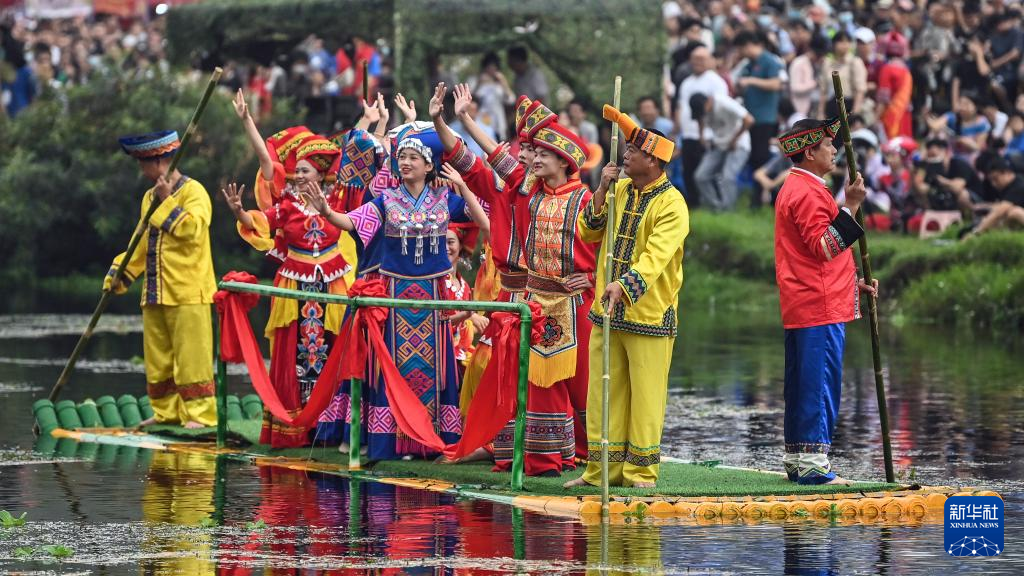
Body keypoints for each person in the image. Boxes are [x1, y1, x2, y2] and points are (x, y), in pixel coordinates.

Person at [303, 121, 489, 461]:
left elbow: (482, 219)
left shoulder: (444, 198)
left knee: (435, 370)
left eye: (413, 158)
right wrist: (327, 211)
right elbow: (351, 222)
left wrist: (463, 186)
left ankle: (429, 441)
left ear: (429, 165)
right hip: (396, 296)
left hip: (432, 297)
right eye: (401, 157)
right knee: (393, 369)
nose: (404, 162)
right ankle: (394, 443)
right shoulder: (386, 201)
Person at [565, 106, 687, 489]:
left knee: (646, 397)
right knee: (603, 393)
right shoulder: (618, 190)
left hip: (648, 315)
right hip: (607, 311)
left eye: (633, 150)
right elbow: (588, 232)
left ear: (653, 160)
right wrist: (601, 189)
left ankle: (640, 473)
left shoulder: (673, 204)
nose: (625, 154)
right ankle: (601, 471)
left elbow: (655, 257)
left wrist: (625, 284)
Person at [773, 117, 877, 485]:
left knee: (802, 383)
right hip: (818, 304)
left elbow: (814, 255)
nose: (834, 150)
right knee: (819, 384)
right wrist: (851, 207)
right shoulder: (807, 192)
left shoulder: (798, 186)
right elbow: (824, 247)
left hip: (806, 298)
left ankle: (798, 459)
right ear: (809, 152)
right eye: (828, 145)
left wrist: (853, 283)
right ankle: (814, 465)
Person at [104, 130, 217, 429]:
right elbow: (140, 242)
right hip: (155, 291)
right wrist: (120, 272)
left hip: (188, 290)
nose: (142, 170)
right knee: (158, 359)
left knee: (192, 357)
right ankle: (166, 411)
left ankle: (200, 414)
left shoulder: (194, 192)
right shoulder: (148, 197)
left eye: (144, 163)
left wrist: (167, 201)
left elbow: (192, 230)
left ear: (159, 162)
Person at [735, 31, 785, 207]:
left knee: (763, 159)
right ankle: (757, 197)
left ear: (749, 45)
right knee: (755, 158)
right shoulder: (749, 64)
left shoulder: (769, 61)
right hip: (751, 117)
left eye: (741, 48)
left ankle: (768, 198)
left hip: (765, 118)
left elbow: (776, 84)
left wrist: (751, 81)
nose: (740, 52)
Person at [676, 45, 728, 206]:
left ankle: (712, 203)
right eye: (695, 59)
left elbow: (720, 108)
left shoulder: (716, 82)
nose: (697, 62)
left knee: (706, 172)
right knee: (688, 171)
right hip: (687, 134)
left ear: (710, 60)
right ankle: (693, 204)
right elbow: (681, 106)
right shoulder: (686, 82)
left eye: (702, 59)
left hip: (708, 135)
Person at [691, 92, 753, 211]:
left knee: (727, 177)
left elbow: (749, 120)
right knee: (700, 176)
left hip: (738, 144)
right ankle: (717, 208)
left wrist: (735, 139)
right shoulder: (702, 110)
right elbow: (699, 119)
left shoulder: (723, 102)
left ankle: (728, 212)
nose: (703, 115)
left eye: (703, 112)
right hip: (719, 144)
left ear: (709, 101)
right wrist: (701, 136)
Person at [965, 158, 1024, 239]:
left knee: (1014, 213)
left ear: (1006, 173)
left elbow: (1000, 211)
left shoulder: (1019, 186)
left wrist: (977, 232)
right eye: (991, 181)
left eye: (996, 179)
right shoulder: (1008, 187)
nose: (993, 184)